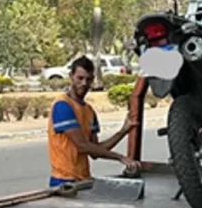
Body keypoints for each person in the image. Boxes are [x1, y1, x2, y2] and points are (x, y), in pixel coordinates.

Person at [48, 55, 141, 187]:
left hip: (84, 180)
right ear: (71, 77)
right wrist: (120, 157)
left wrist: (123, 131)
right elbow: (82, 145)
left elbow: (95, 151)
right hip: (64, 181)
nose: (84, 83)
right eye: (80, 78)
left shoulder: (89, 111)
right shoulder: (63, 106)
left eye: (88, 79)